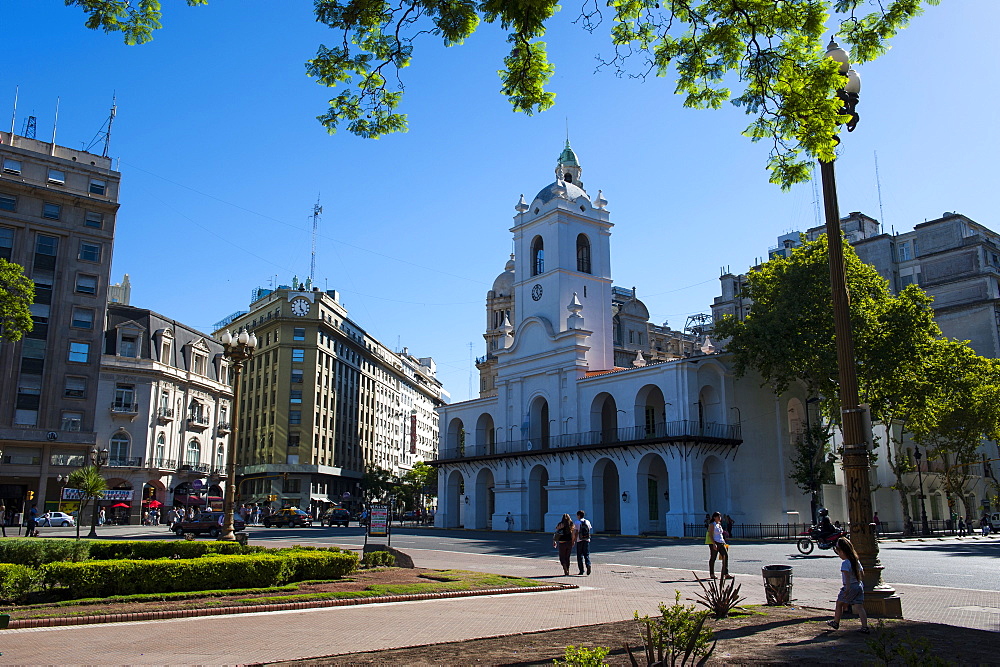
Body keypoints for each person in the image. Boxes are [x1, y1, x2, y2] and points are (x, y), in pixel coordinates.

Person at [826, 536, 869, 634]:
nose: (839, 555)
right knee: (860, 607)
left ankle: (836, 622)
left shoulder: (845, 563)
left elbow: (847, 577)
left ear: (842, 551)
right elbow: (862, 574)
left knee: (839, 603)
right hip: (859, 585)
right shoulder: (856, 561)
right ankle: (865, 626)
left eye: (839, 552)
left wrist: (847, 588)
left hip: (850, 586)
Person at [708, 511, 732, 580]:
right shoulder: (712, 525)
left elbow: (720, 534)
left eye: (720, 516)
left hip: (721, 542)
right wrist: (713, 544)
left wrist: (724, 542)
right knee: (713, 558)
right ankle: (712, 574)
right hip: (715, 542)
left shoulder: (719, 524)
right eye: (718, 516)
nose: (719, 518)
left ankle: (725, 573)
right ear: (714, 517)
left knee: (725, 556)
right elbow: (710, 535)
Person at [573, 510, 593, 575]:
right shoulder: (587, 522)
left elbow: (576, 532)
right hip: (587, 540)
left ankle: (581, 570)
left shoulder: (577, 522)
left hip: (579, 540)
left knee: (579, 556)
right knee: (586, 554)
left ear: (579, 515)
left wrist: (574, 540)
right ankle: (588, 564)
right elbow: (589, 530)